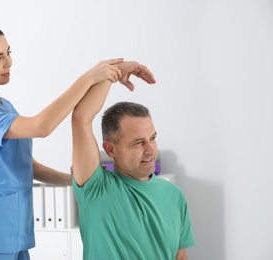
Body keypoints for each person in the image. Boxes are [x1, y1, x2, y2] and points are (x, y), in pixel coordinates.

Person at [0, 21, 142, 260]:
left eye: (8, 53)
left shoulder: (5, 107)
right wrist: (90, 76)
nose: (8, 62)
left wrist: (77, 182)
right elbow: (42, 126)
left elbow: (26, 165)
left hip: (17, 234)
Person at [71, 62, 195, 259]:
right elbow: (81, 117)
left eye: (152, 138)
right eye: (138, 143)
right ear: (110, 149)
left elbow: (180, 256)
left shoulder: (174, 195)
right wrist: (113, 72)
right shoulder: (96, 188)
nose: (150, 150)